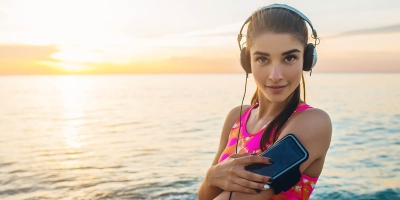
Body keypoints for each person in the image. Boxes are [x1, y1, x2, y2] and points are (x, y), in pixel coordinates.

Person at [197, 4, 332, 200]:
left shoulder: (313, 123)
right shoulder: (237, 117)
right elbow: (204, 196)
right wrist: (211, 177)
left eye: (289, 58)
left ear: (307, 59)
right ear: (247, 61)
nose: (275, 75)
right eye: (262, 59)